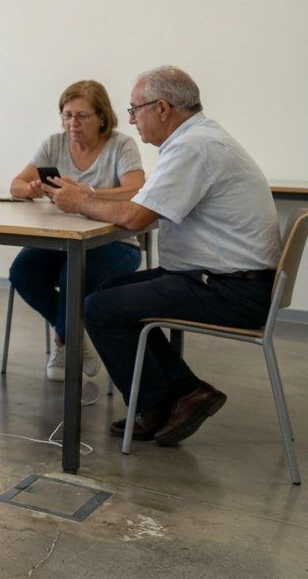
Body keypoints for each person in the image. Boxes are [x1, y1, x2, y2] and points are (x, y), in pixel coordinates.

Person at [53, 66, 281, 447]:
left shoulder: (193, 147)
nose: (131, 121)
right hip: (226, 279)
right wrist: (92, 199)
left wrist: (81, 201)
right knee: (112, 289)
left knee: (100, 307)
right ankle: (179, 395)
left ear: (161, 108)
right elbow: (143, 202)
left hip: (228, 290)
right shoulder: (197, 140)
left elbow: (134, 217)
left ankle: (162, 401)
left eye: (134, 110)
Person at [8, 80, 145, 381]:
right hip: (63, 239)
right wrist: (30, 188)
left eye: (81, 116)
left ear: (102, 117)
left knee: (72, 277)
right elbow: (15, 185)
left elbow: (137, 190)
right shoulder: (54, 143)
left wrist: (87, 195)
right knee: (22, 273)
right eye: (67, 115)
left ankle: (64, 342)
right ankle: (72, 335)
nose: (72, 123)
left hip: (116, 241)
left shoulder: (121, 145)